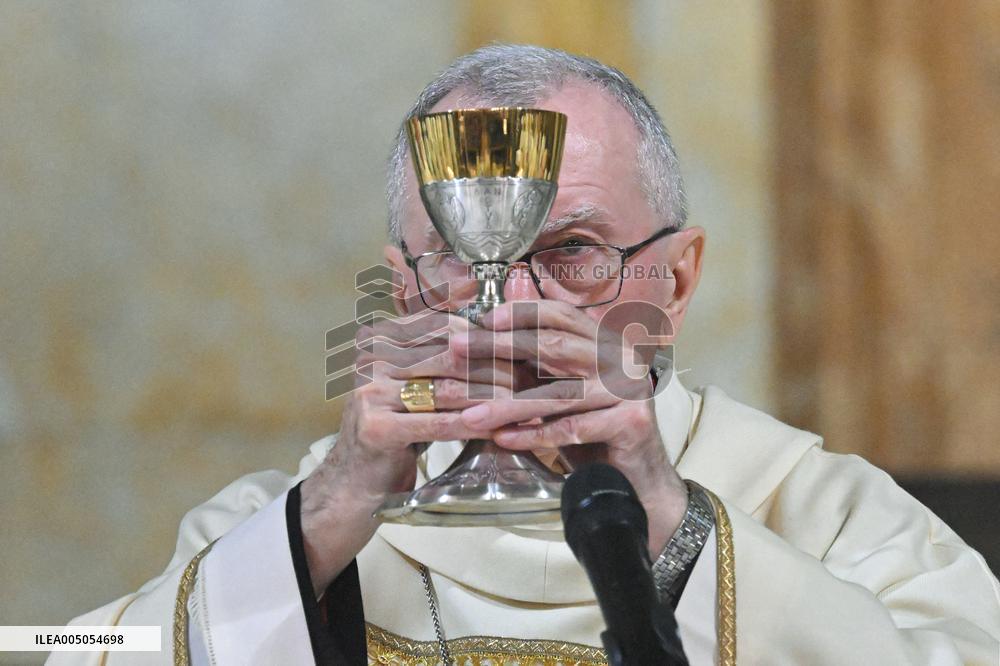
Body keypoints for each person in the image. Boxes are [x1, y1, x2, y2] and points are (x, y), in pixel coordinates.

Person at [55, 44, 1000, 666]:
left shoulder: (823, 513)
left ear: (675, 278)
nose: (515, 308)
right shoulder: (287, 521)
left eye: (575, 251)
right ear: (407, 286)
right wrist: (321, 527)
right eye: (461, 258)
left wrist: (666, 515)